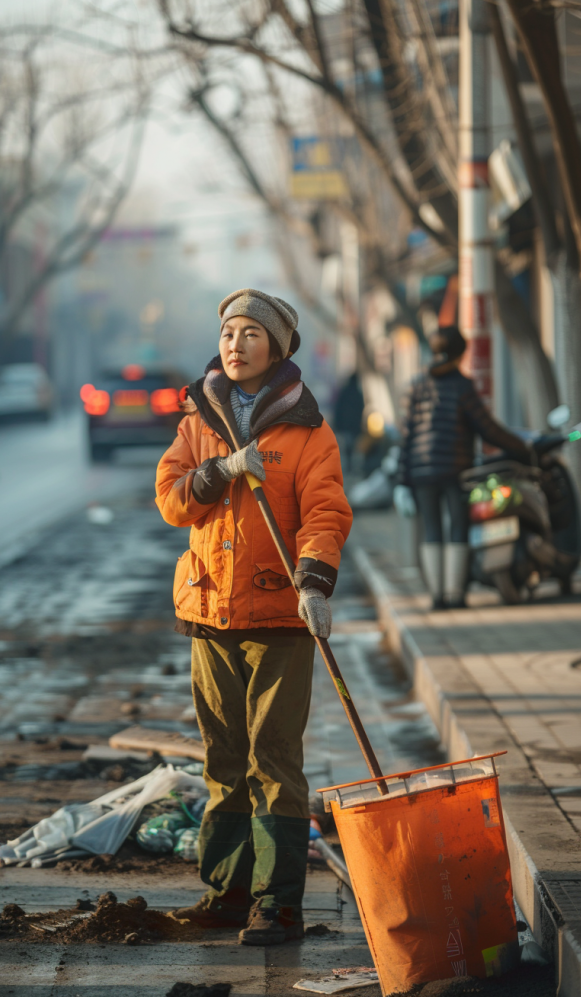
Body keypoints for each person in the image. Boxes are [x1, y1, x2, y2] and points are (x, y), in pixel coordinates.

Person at [155, 288, 352, 946]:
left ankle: (278, 902)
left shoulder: (306, 429)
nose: (235, 345)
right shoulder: (196, 422)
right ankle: (227, 891)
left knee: (273, 757)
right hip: (209, 613)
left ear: (277, 349)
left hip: (278, 616)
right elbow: (173, 502)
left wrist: (314, 580)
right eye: (229, 333)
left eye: (251, 335)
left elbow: (325, 512)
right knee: (224, 757)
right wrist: (219, 472)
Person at [394, 325, 530, 609]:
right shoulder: (462, 385)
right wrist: (519, 447)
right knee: (459, 526)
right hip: (456, 469)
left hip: (421, 472)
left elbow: (406, 436)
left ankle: (437, 597)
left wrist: (402, 479)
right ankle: (455, 595)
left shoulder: (415, 385)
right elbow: (486, 427)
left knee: (432, 529)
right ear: (461, 352)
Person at [333, 371, 364, 472]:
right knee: (351, 446)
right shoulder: (358, 393)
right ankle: (350, 466)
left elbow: (338, 409)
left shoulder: (344, 392)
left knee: (346, 445)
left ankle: (347, 467)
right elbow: (361, 409)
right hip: (354, 426)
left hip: (345, 425)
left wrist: (337, 424)